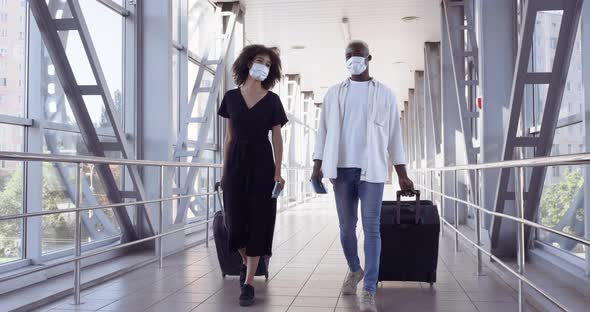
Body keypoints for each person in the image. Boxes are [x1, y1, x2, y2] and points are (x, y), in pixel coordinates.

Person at [311, 40, 414, 312]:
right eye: (349, 55)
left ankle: (368, 289)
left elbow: (394, 137)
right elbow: (321, 133)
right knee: (346, 229)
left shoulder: (385, 95)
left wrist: (402, 173)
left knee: (371, 230)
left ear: (369, 58)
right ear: (344, 59)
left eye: (358, 55)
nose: (353, 59)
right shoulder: (334, 94)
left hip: (373, 171)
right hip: (341, 171)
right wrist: (316, 167)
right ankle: (355, 269)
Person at [218, 44, 288, 307]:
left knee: (260, 220)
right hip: (236, 162)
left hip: (262, 163)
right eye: (260, 61)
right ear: (248, 62)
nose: (263, 66)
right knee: (235, 223)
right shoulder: (231, 98)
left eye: (268, 64)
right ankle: (247, 263)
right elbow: (228, 137)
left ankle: (248, 283)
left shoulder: (272, 100)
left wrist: (278, 172)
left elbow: (277, 138)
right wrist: (224, 172)